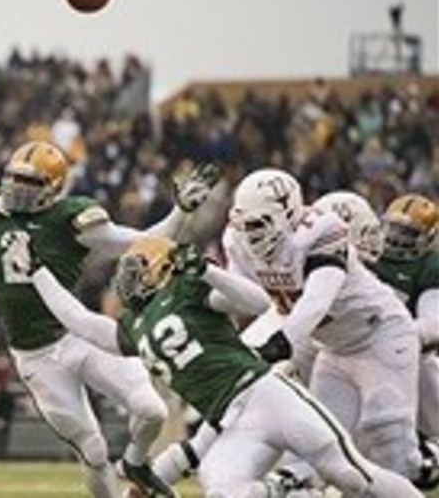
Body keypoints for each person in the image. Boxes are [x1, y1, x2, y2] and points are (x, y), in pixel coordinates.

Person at [0, 140, 219, 497]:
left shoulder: (70, 220)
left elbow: (142, 242)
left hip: (78, 334)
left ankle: (135, 464)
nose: (17, 189)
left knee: (152, 410)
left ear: (54, 188)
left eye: (30, 182)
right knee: (94, 450)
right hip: (37, 357)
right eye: (14, 178)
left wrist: (181, 212)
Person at [28, 236, 422, 497]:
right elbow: (78, 321)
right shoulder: (133, 327)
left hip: (265, 392)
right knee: (222, 490)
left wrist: (207, 270)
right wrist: (38, 274)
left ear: (164, 269)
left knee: (350, 475)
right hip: (232, 419)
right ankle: (281, 491)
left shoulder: (188, 288)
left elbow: (255, 301)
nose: (130, 278)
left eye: (139, 268)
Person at [223, 169, 423, 486]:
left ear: (288, 213)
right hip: (333, 349)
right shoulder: (237, 242)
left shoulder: (322, 231)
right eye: (243, 224)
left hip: (380, 334)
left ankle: (428, 463)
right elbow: (243, 298)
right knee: (323, 447)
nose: (250, 234)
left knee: (387, 436)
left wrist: (277, 346)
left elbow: (317, 300)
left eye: (258, 224)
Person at [314, 190, 439, 489]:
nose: (396, 239)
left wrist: (393, 334)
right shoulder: (366, 253)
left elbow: (434, 324)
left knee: (392, 437)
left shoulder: (430, 266)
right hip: (351, 352)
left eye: (408, 233)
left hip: (413, 357)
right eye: (393, 229)